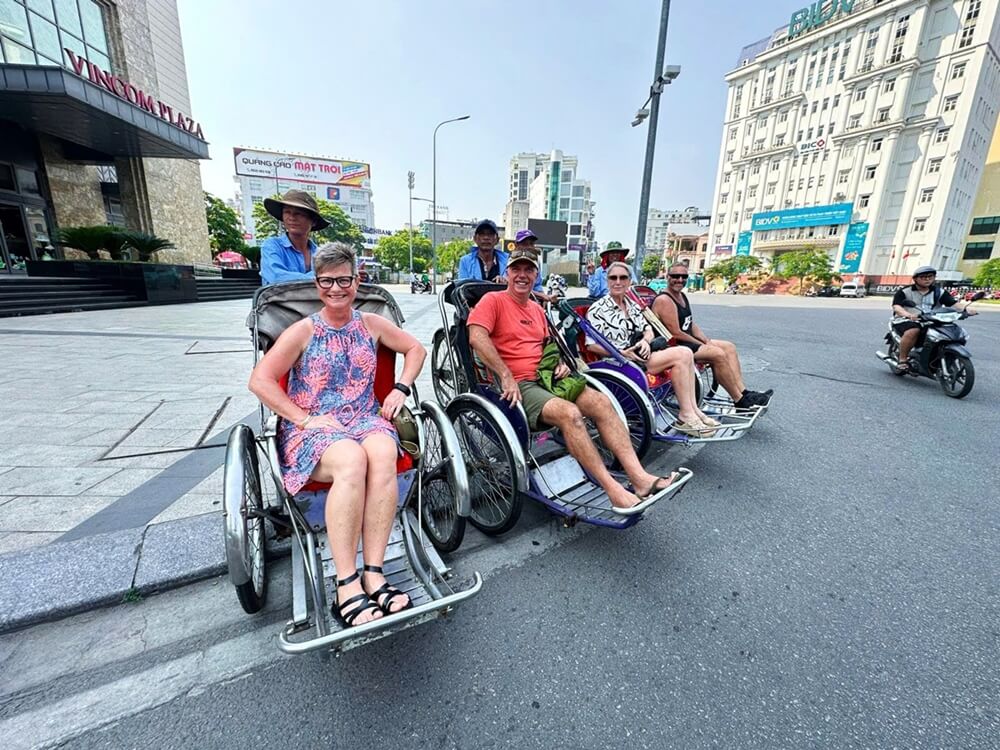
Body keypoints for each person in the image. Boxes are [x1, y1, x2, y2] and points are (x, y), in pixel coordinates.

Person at [248, 242, 426, 627]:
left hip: (364, 418)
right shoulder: (302, 331)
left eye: (344, 280)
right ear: (317, 284)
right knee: (352, 459)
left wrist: (401, 388)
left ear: (356, 280)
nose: (336, 288)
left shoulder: (371, 325)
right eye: (327, 281)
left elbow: (415, 349)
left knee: (382, 453)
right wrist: (304, 418)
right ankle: (346, 582)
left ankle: (374, 573)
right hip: (313, 427)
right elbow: (260, 380)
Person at [467, 246, 679, 509]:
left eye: (528, 270)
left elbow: (547, 345)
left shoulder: (536, 309)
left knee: (602, 402)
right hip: (519, 384)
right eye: (516, 269)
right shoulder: (493, 301)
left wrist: (559, 362)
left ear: (536, 275)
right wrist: (505, 374)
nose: (522, 275)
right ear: (507, 273)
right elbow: (476, 337)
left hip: (548, 378)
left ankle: (640, 478)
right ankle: (612, 489)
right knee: (570, 414)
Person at [586, 262, 720, 436]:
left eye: (623, 278)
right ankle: (686, 414)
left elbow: (647, 328)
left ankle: (694, 410)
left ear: (629, 281)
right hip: (619, 361)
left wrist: (646, 341)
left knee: (686, 353)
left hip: (641, 354)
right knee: (682, 354)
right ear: (607, 280)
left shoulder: (631, 305)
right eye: (613, 278)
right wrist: (620, 353)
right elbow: (591, 344)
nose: (618, 282)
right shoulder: (597, 309)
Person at [653, 263, 772, 410]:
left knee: (728, 347)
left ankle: (744, 392)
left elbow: (690, 324)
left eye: (684, 276)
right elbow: (676, 332)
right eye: (675, 276)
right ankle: (738, 399)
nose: (679, 280)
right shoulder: (664, 300)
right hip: (676, 344)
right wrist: (702, 344)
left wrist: (706, 340)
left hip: (688, 340)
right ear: (667, 277)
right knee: (717, 353)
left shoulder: (681, 295)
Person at [891, 265, 977, 373]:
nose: (927, 279)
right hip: (907, 319)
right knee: (913, 330)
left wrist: (967, 309)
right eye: (923, 277)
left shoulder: (939, 292)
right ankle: (902, 360)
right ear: (915, 279)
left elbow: (954, 304)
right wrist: (907, 314)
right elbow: (896, 306)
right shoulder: (905, 291)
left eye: (930, 276)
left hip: (932, 319)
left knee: (948, 331)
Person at [260, 190, 329, 285]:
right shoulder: (272, 245)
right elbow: (276, 277)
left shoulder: (321, 254)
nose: (291, 217)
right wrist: (321, 278)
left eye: (298, 213)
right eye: (287, 212)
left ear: (313, 221)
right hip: (279, 299)